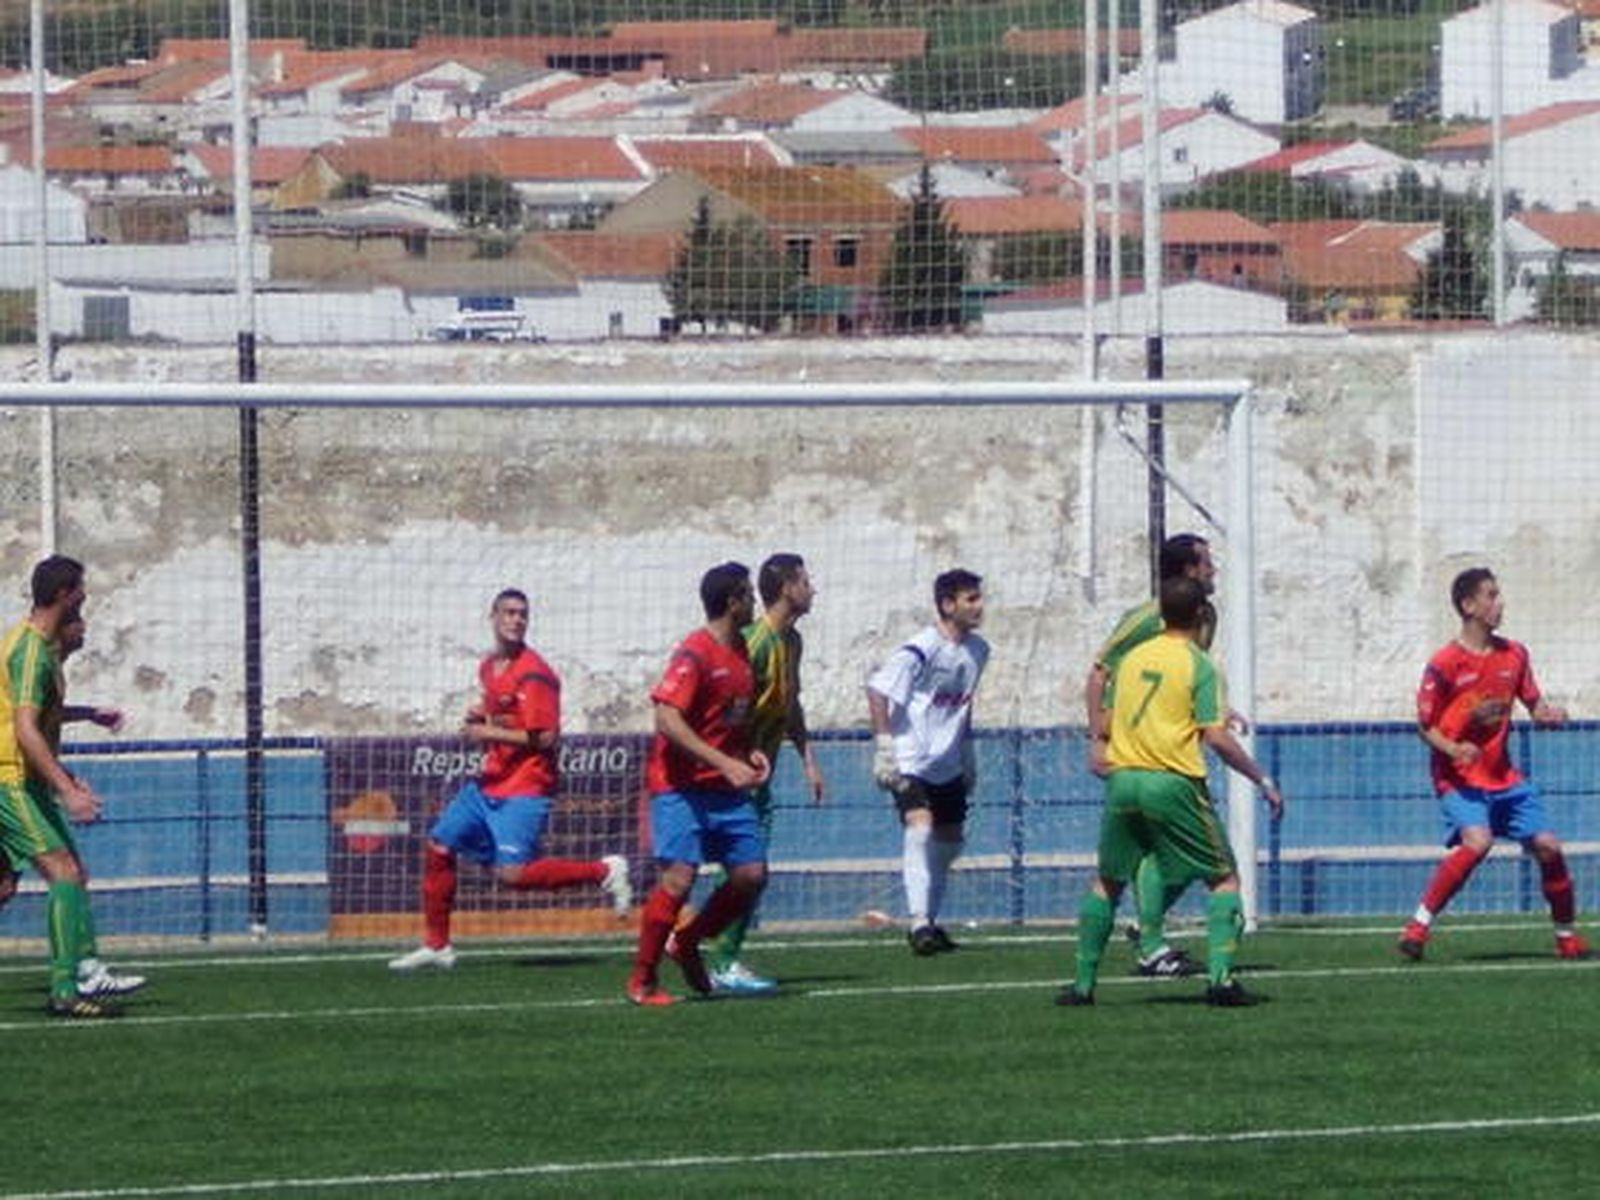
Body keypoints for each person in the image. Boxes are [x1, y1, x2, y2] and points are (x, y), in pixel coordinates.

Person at [1058, 575, 1284, 1008]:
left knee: (1107, 881)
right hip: (1173, 781)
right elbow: (1215, 738)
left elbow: (1107, 720)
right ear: (1201, 614)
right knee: (1224, 878)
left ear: (1161, 614)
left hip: (1124, 781)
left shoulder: (1132, 659)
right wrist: (1262, 778)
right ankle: (1220, 982)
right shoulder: (1199, 665)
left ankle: (1082, 986)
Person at [389, 588, 632, 971]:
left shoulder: (536, 674)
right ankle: (437, 945)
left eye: (522, 614)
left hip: (526, 785)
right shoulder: (489, 667)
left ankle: (604, 870)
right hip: (489, 783)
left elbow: (546, 737)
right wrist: (481, 716)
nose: (516, 620)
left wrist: (488, 735)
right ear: (493, 617)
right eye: (509, 613)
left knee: (514, 875)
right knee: (438, 846)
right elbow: (502, 712)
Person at [1398, 567, 1592, 962]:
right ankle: (1417, 926)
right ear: (1469, 606)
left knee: (1550, 847)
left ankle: (1566, 935)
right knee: (1478, 842)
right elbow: (1424, 726)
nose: (1499, 602)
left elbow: (1533, 704)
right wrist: (1452, 750)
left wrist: (1547, 714)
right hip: (1459, 779)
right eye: (1491, 595)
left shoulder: (1514, 655)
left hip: (1504, 778)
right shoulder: (1445, 663)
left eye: (1498, 594)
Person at [1084, 533, 1239, 979]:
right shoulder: (1147, 619)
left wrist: (1219, 709)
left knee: (1162, 853)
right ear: (1190, 570)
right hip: (1141, 753)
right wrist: (1097, 739)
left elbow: (1184, 679)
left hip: (1169, 750)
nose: (1214, 570)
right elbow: (1098, 676)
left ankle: (1147, 940)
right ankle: (1151, 942)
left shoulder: (1206, 616)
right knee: (1184, 854)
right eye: (1208, 563)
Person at [0, 556, 145, 1018]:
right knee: (62, 871)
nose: (85, 602)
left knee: (39, 878)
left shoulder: (42, 652)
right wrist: (66, 788)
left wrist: (86, 716)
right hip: (10, 781)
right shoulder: (28, 649)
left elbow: (35, 718)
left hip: (26, 780)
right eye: (81, 592)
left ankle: (86, 967)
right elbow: (25, 729)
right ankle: (67, 987)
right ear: (65, 594)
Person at [628, 562, 772, 1007]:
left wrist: (747, 752)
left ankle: (687, 941)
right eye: (749, 594)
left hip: (724, 788)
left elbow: (729, 718)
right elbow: (666, 718)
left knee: (751, 876)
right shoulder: (694, 653)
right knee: (679, 878)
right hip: (679, 786)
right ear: (732, 602)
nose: (755, 602)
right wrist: (723, 763)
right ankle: (643, 980)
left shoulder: (743, 653)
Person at [704, 553, 826, 994]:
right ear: (787, 588)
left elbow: (789, 703)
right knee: (746, 870)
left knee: (738, 870)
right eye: (807, 581)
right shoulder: (752, 644)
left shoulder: (792, 642)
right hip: (733, 777)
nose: (813, 589)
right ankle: (720, 960)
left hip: (757, 778)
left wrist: (807, 756)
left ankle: (700, 945)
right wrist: (737, 758)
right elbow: (724, 710)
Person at [867, 568, 989, 956]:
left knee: (950, 843)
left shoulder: (979, 650)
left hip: (948, 761)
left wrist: (967, 752)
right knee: (921, 829)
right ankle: (919, 923)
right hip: (910, 759)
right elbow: (877, 688)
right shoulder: (921, 648)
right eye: (970, 599)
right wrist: (885, 745)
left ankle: (930, 923)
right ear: (947, 604)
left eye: (978, 597)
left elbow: (964, 704)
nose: (979, 606)